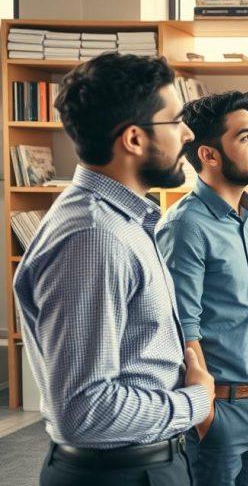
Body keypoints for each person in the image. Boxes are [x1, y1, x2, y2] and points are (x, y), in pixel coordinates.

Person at [13, 53, 213, 485]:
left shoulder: (119, 220)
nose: (188, 132)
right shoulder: (95, 238)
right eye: (176, 120)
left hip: (142, 462)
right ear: (134, 140)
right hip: (119, 473)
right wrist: (196, 401)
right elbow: (84, 411)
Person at [156, 91, 248, 485]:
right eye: (245, 137)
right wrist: (207, 416)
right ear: (209, 155)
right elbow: (179, 327)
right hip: (219, 411)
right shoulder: (185, 225)